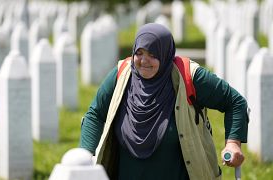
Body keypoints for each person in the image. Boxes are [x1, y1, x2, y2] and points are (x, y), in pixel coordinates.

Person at [79, 23, 248, 180]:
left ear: (165, 53)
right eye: (139, 53)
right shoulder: (121, 74)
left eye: (153, 55)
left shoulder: (190, 76)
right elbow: (95, 114)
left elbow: (234, 101)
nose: (144, 61)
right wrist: (85, 156)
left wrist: (233, 143)